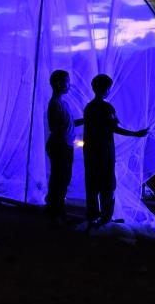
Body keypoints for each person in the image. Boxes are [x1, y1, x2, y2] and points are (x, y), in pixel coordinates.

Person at [81, 74, 148, 227]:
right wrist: (135, 134)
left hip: (90, 151)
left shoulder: (89, 108)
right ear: (107, 89)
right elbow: (114, 127)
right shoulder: (106, 107)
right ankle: (105, 218)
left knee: (92, 184)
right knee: (107, 184)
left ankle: (92, 216)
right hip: (104, 151)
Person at [45, 70, 82, 223]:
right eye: (67, 81)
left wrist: (85, 120)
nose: (69, 84)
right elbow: (56, 127)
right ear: (59, 83)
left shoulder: (63, 103)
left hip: (64, 145)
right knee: (59, 179)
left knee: (62, 178)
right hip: (60, 146)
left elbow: (68, 124)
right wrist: (64, 143)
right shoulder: (55, 104)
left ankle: (56, 209)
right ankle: (56, 211)